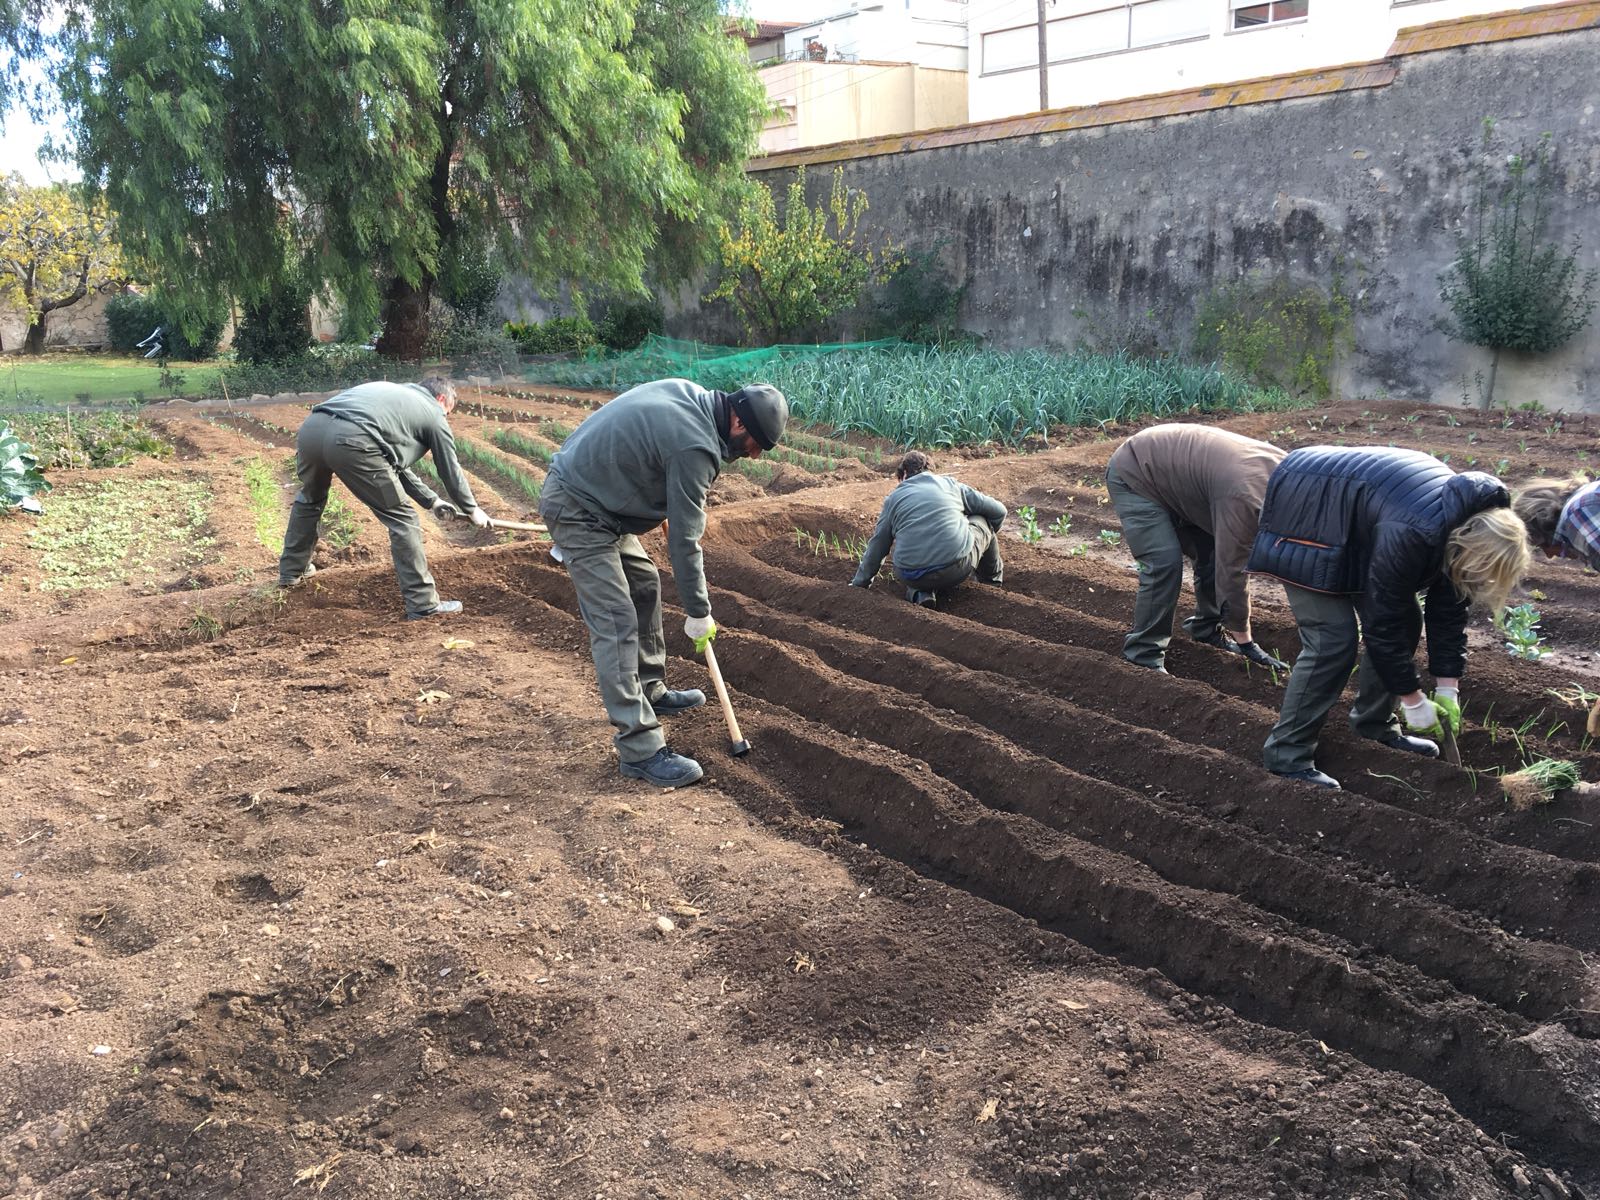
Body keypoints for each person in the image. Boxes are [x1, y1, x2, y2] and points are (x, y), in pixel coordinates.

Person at [539, 378, 789, 790]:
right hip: (580, 509)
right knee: (616, 621)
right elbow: (685, 543)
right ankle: (640, 749)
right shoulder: (695, 446)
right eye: (756, 445)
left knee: (644, 583)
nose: (754, 455)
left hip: (604, 501)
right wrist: (699, 612)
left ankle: (650, 687)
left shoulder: (691, 395)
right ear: (740, 425)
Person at [1246, 446, 1530, 789]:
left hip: (1357, 521)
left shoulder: (1470, 527)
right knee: (1332, 639)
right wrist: (1412, 699)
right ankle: (1286, 755)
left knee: (1409, 620)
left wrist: (1447, 686)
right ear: (1469, 549)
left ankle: (1373, 725)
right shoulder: (1416, 530)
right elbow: (1382, 624)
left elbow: (1449, 610)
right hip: (1307, 512)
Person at [278, 375, 488, 619]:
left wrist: (432, 501)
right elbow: (449, 469)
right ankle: (423, 605)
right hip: (352, 440)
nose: (446, 418)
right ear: (441, 399)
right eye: (449, 412)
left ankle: (292, 571)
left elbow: (391, 463)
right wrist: (472, 508)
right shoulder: (433, 412)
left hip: (312, 430)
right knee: (403, 519)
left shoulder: (392, 396)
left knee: (311, 499)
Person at [1104, 424, 1288, 674]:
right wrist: (1246, 643)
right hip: (1136, 472)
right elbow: (1232, 570)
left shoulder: (1291, 474)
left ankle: (1206, 629)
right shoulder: (1247, 499)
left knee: (1210, 554)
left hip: (1183, 478)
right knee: (1163, 564)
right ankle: (1143, 653)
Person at [849, 452, 1006, 605]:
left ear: (904, 474)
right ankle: (991, 583)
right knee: (983, 520)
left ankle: (920, 593)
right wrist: (983, 541)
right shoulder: (951, 485)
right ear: (931, 470)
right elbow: (999, 511)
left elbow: (878, 546)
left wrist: (860, 584)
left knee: (915, 550)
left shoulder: (893, 499)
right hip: (955, 569)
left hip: (910, 575)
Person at [1512, 475, 1600, 571]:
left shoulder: (1577, 514)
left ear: (1543, 529)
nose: (1549, 555)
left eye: (1542, 546)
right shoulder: (1586, 496)